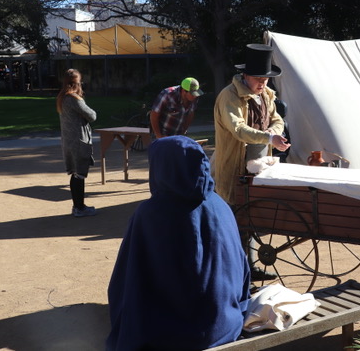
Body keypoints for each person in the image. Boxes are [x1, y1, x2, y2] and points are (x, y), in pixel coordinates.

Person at [106, 135, 251, 350]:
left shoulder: (150, 214)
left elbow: (127, 279)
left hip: (170, 336)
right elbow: (242, 271)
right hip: (223, 324)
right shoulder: (220, 205)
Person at [213, 43, 290, 205]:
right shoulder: (230, 96)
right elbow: (238, 129)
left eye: (265, 79)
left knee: (255, 206)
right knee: (234, 205)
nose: (262, 83)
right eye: (258, 79)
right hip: (234, 161)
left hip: (258, 162)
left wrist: (272, 131)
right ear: (246, 75)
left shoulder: (266, 94)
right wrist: (269, 138)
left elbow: (277, 119)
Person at [56, 68, 98, 217]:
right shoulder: (73, 99)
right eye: (80, 82)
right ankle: (79, 208)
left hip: (69, 141)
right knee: (79, 174)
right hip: (78, 141)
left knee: (75, 174)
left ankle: (78, 206)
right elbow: (92, 115)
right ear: (76, 83)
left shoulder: (62, 97)